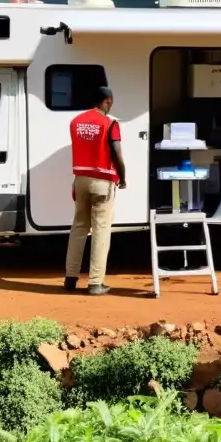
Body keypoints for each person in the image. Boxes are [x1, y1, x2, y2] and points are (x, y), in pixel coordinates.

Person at [64, 86, 126, 296]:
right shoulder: (110, 124)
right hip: (102, 180)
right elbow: (117, 153)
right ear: (107, 101)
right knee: (101, 230)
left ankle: (70, 278)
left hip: (80, 180)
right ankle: (95, 283)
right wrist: (123, 177)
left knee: (79, 227)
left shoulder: (76, 122)